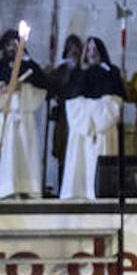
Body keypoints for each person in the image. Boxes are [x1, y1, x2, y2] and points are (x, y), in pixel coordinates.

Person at [0, 29, 52, 199]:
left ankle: (24, 189)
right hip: (1, 118)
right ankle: (0, 191)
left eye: (15, 43)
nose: (12, 47)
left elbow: (41, 91)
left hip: (22, 119)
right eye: (9, 44)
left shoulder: (29, 66)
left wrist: (23, 89)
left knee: (23, 156)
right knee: (3, 158)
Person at [59, 37, 126, 200]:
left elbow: (117, 98)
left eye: (95, 49)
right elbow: (72, 99)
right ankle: (79, 192)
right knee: (80, 162)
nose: (92, 52)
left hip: (105, 123)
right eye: (88, 49)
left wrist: (96, 111)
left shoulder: (112, 71)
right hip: (82, 126)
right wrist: (90, 109)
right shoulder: (79, 73)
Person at [46, 35, 83, 195]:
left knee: (75, 154)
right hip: (62, 118)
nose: (73, 52)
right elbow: (49, 91)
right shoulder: (59, 71)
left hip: (79, 118)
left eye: (76, 49)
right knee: (62, 154)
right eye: (71, 48)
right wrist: (46, 77)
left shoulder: (83, 72)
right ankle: (61, 188)